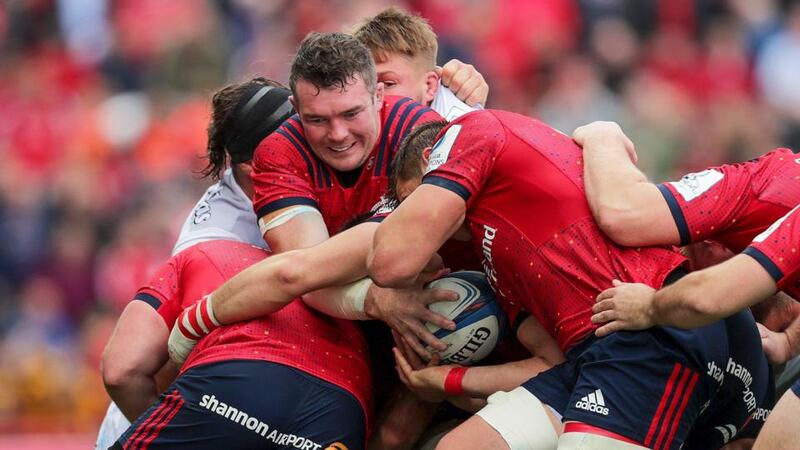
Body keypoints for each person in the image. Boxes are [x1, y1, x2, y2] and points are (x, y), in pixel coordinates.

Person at [366, 114, 771, 449]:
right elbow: (548, 361)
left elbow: (389, 262)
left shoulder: (471, 130)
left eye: (415, 199)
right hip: (594, 356)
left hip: (652, 334)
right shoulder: (496, 252)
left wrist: (374, 291)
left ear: (433, 160)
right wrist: (443, 380)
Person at [95, 78, 294, 449]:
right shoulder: (221, 240)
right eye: (297, 137)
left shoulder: (264, 192)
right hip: (145, 423)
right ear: (256, 165)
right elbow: (148, 366)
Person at [112, 241, 371, 450]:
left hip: (238, 383)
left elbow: (121, 371)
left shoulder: (206, 252)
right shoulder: (354, 309)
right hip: (341, 413)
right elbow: (394, 435)